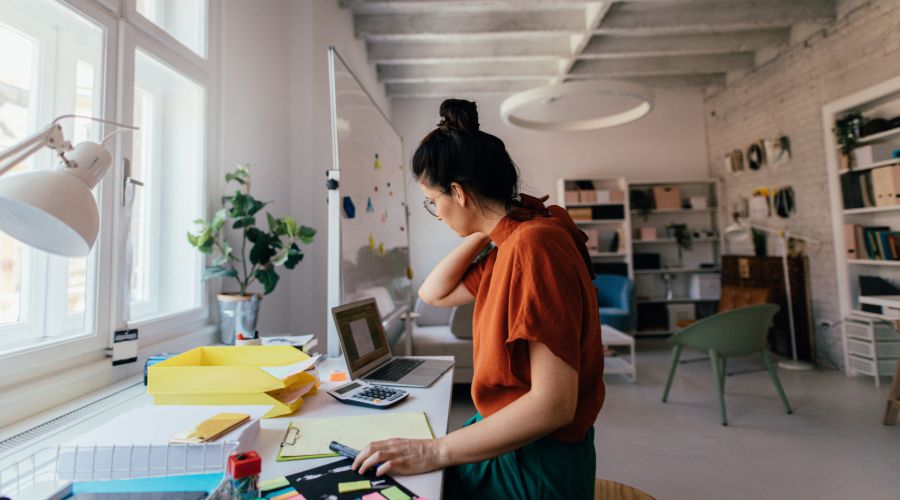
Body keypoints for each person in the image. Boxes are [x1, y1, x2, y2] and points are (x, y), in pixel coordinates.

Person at [352, 99, 605, 499]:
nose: (437, 213)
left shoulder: (534, 245)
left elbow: (554, 405)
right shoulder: (512, 241)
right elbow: (434, 293)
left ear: (458, 192)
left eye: (434, 202)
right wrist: (487, 227)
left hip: (536, 465)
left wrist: (433, 451)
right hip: (518, 445)